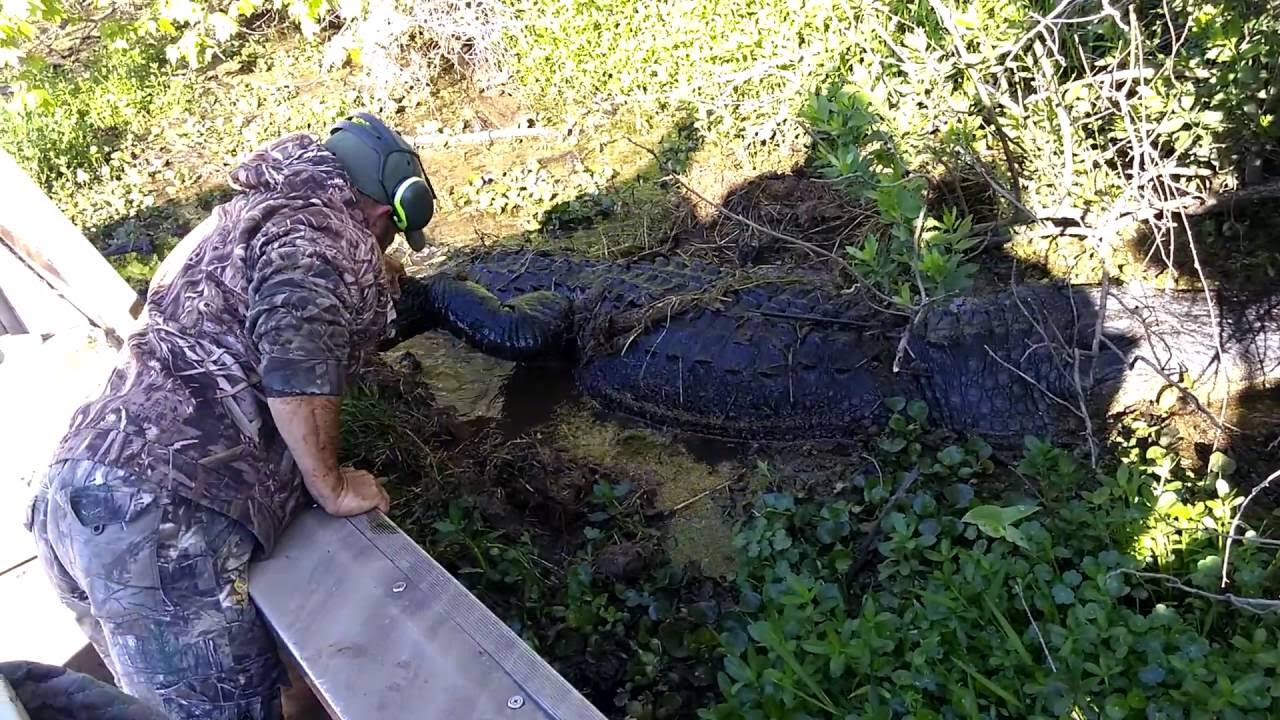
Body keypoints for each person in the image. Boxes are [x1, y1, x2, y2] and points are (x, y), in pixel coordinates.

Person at [24, 112, 436, 720]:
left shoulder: (237, 216)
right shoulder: (328, 235)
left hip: (76, 493)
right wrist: (333, 485)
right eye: (390, 240)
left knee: (154, 705)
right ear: (384, 216)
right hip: (164, 523)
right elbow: (298, 363)